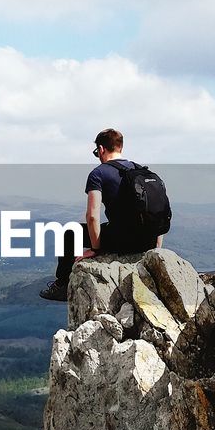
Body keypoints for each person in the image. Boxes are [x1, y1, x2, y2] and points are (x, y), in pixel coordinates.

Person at [39, 128, 166, 301]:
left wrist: (95, 249)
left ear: (101, 149)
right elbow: (158, 212)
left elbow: (92, 216)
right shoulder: (144, 172)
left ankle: (62, 285)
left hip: (123, 241)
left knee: (70, 231)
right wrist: (154, 248)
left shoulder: (99, 174)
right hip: (147, 242)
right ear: (120, 147)